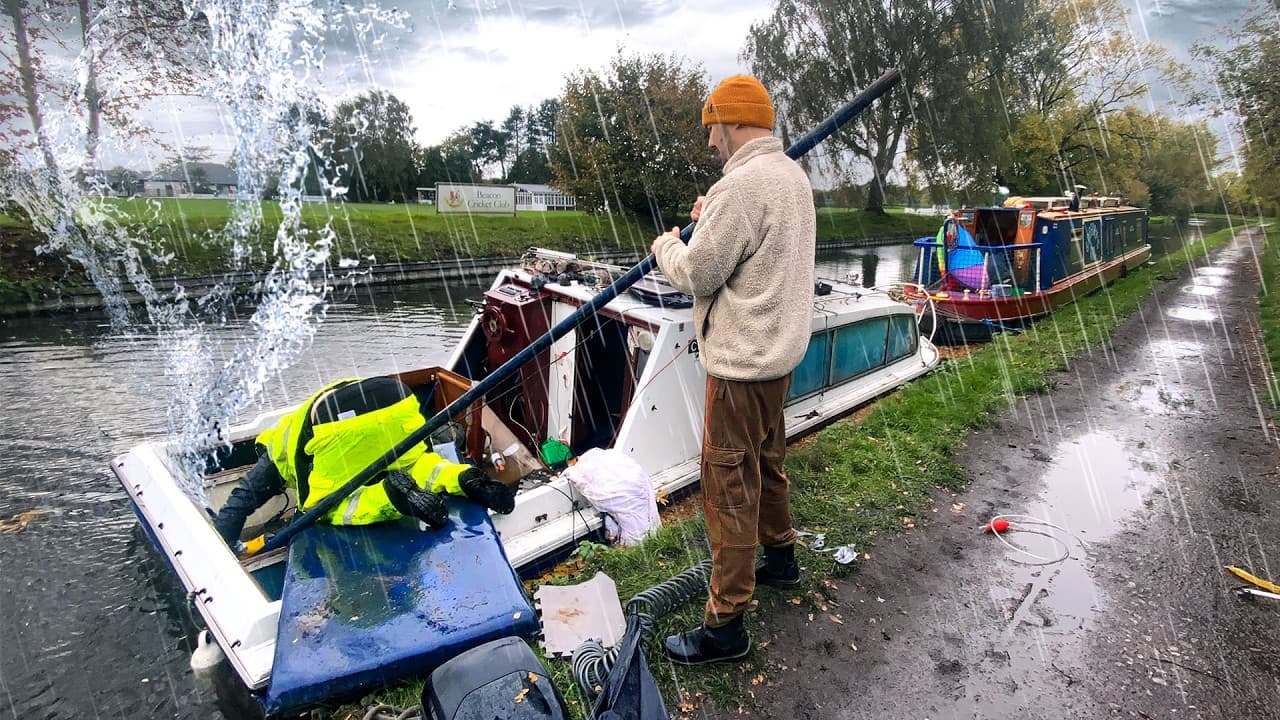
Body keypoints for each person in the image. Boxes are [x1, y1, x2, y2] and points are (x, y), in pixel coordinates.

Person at [650, 74, 816, 665]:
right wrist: (711, 216)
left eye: (712, 128)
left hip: (741, 368)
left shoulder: (741, 187)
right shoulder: (792, 177)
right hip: (778, 360)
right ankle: (782, 559)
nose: (710, 142)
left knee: (727, 490)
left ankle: (725, 627)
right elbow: (750, 244)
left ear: (733, 121)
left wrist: (666, 244)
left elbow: (696, 273)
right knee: (767, 464)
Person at [212, 375, 516, 549]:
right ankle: (461, 478)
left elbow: (303, 506)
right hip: (398, 401)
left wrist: (231, 545)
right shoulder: (292, 423)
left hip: (338, 425)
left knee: (330, 507)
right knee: (419, 463)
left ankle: (391, 497)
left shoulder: (280, 452)